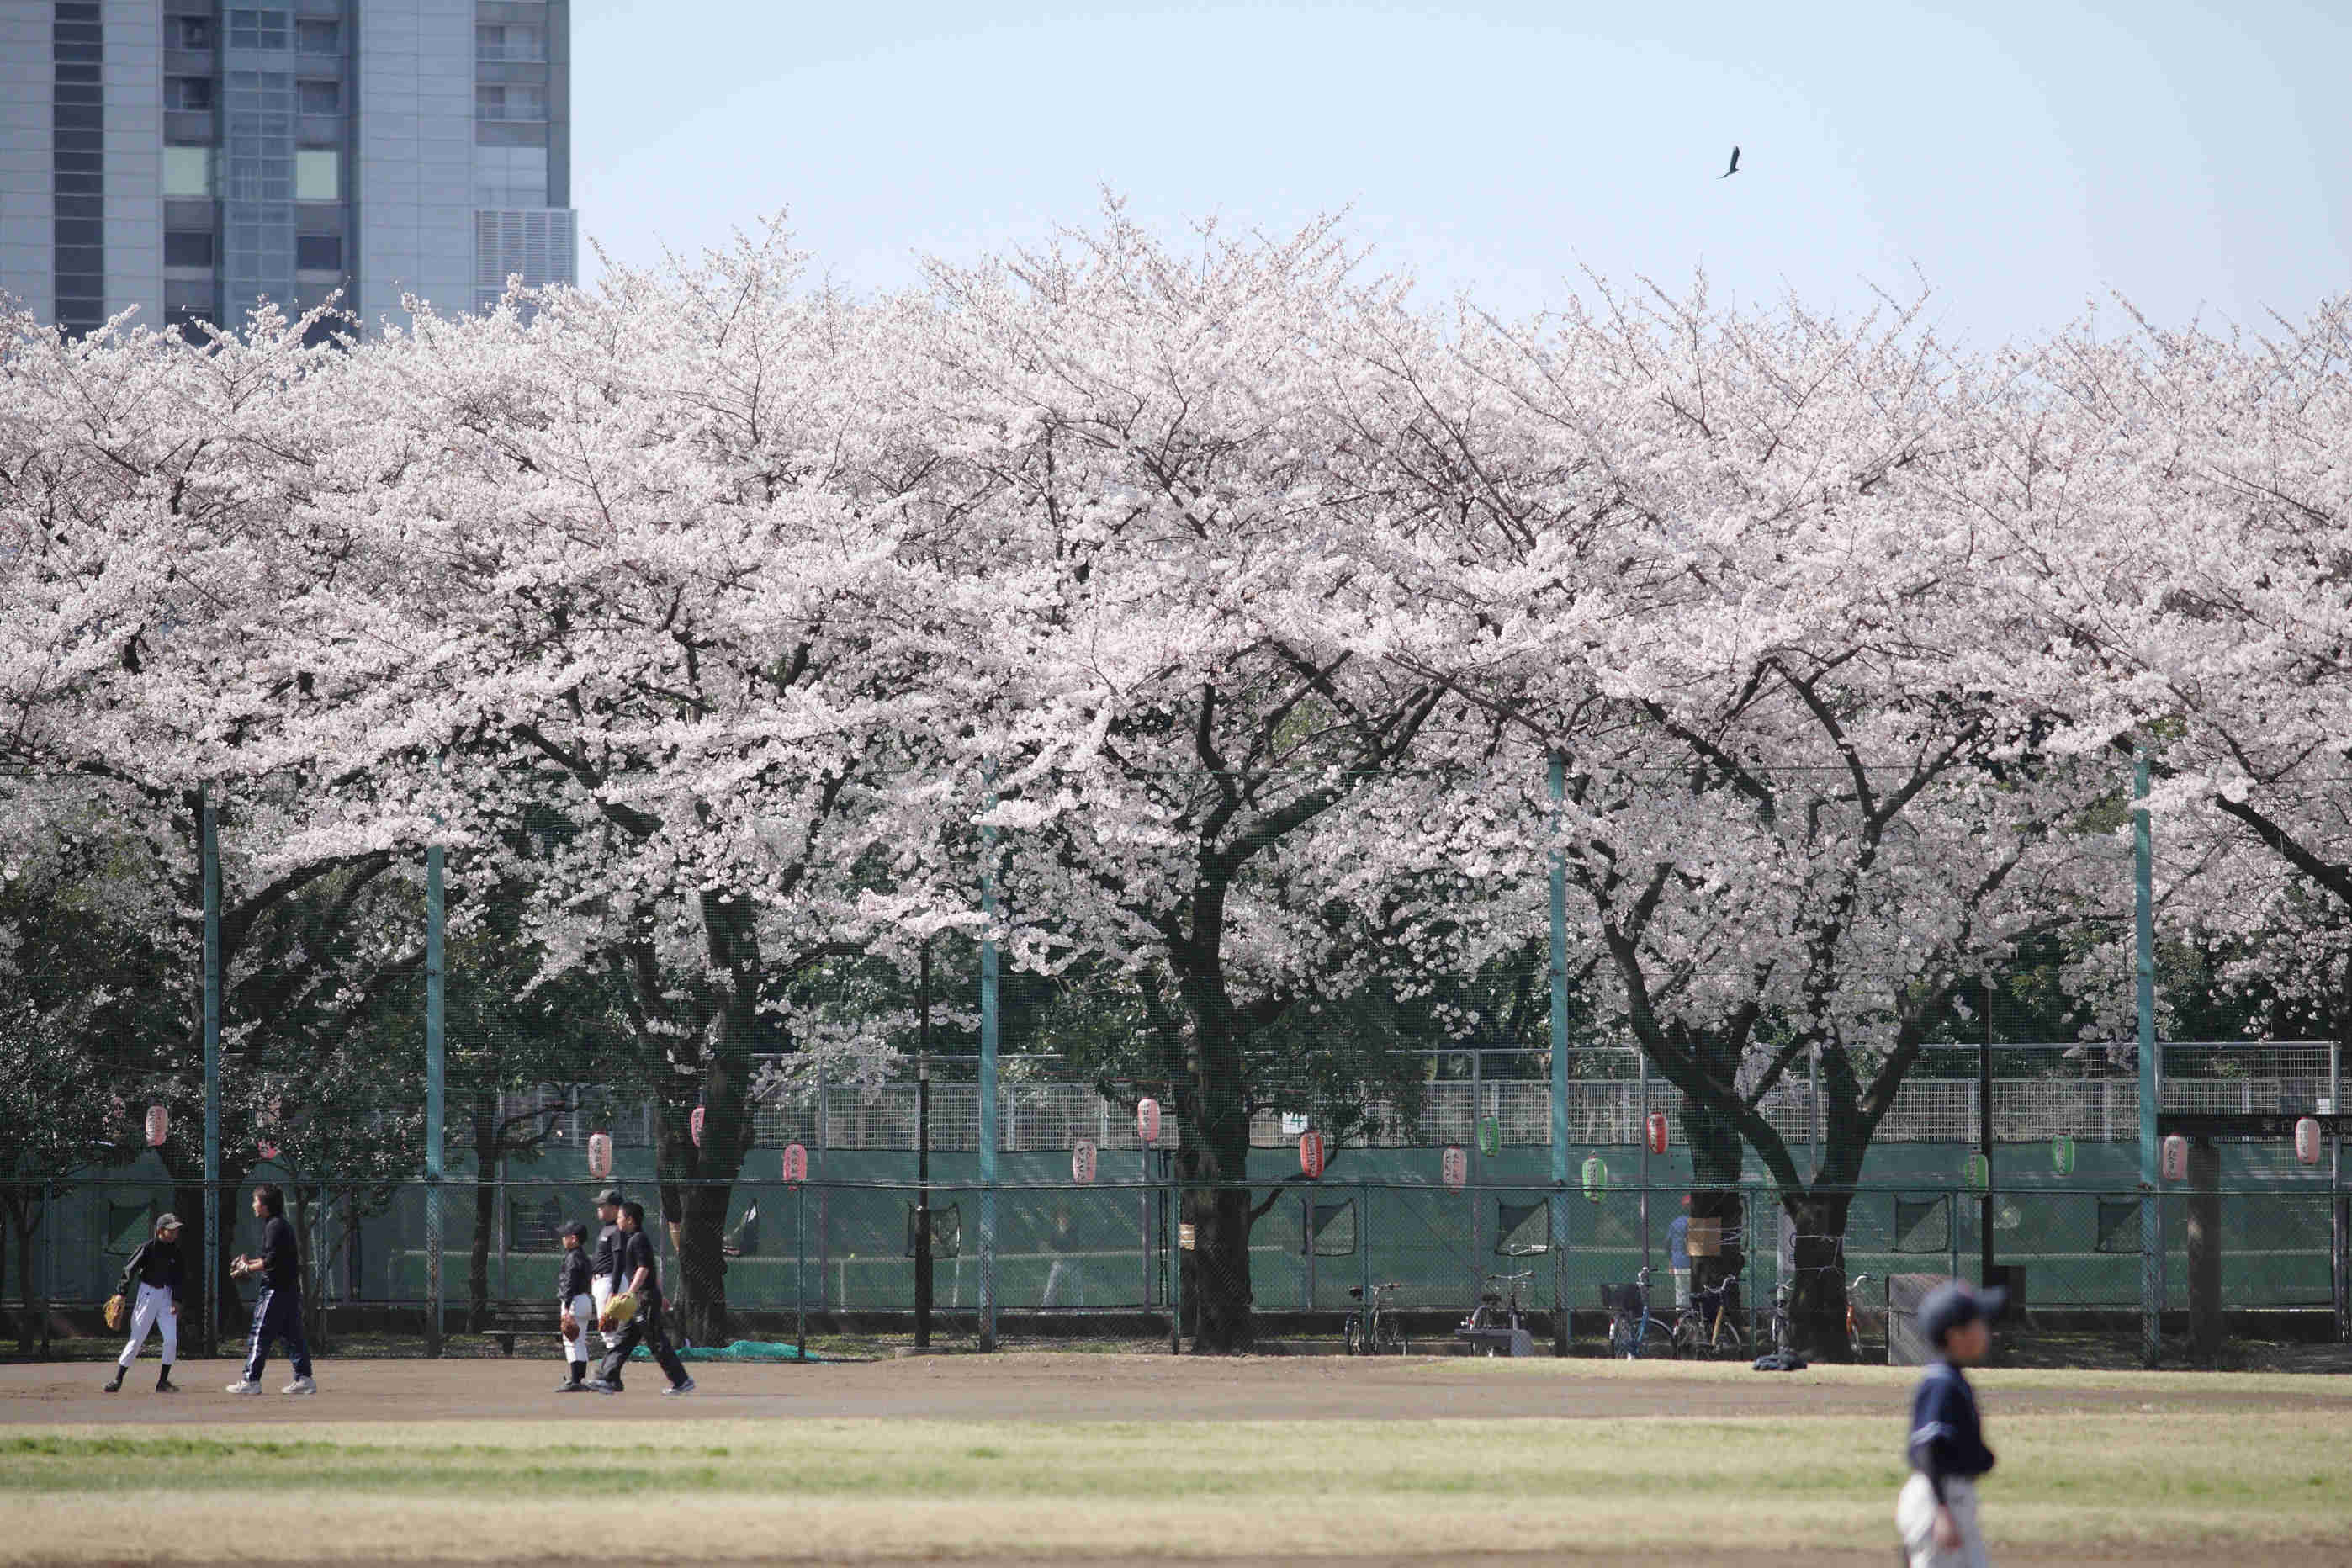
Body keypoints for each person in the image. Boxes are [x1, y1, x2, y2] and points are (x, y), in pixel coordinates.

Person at [1898, 1279, 2005, 1567]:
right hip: (1939, 1499)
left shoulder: (1952, 1381)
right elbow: (1928, 1449)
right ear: (1956, 1336)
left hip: (1948, 1498)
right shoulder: (1941, 1384)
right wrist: (1941, 1510)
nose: (1986, 1330)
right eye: (1978, 1323)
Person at [586, 1200, 693, 1396]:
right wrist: (659, 1295)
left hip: (644, 1299)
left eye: (620, 1217)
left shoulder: (638, 1239)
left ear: (629, 1220)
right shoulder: (632, 1238)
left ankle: (682, 1381)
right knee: (623, 1338)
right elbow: (649, 1269)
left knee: (656, 1342)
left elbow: (644, 1268)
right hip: (641, 1299)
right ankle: (607, 1379)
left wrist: (630, 1292)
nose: (617, 1220)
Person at [225, 1184, 315, 1396]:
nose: (253, 1205)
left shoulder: (274, 1226)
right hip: (289, 1289)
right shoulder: (279, 1224)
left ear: (265, 1205)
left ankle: (251, 1380)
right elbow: (272, 1259)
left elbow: (271, 1261)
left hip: (275, 1289)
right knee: (292, 1334)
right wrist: (249, 1264)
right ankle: (304, 1379)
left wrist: (246, 1267)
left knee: (260, 1332)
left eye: (255, 1201)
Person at [106, 1214, 185, 1394]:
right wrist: (121, 1292)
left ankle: (163, 1382)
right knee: (137, 1339)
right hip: (148, 1293)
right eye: (171, 1229)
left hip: (167, 1295)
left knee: (171, 1340)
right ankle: (118, 1380)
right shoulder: (147, 1248)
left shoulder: (176, 1251)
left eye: (176, 1229)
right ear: (160, 1231)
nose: (175, 1233)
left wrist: (177, 1299)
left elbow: (180, 1277)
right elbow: (129, 1269)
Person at [589, 1188, 627, 1381]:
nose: (599, 1208)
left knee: (610, 1332)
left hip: (611, 1281)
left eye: (602, 1205)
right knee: (610, 1332)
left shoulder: (617, 1231)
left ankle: (609, 1376)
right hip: (603, 1281)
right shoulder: (608, 1229)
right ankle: (610, 1375)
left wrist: (613, 1291)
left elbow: (620, 1262)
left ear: (613, 1208)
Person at [555, 1221, 594, 1392]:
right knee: (580, 1341)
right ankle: (580, 1379)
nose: (563, 1238)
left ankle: (575, 1381)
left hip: (575, 1302)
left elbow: (570, 1282)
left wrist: (566, 1308)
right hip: (584, 1300)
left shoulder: (572, 1257)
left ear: (574, 1239)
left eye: (566, 1235)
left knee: (571, 1342)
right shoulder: (583, 1256)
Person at [1666, 1196, 1692, 1310]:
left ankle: (1681, 1320)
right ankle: (1691, 1319)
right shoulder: (1696, 1222)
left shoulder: (1676, 1222)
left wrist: (1671, 1261)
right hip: (1692, 1263)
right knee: (1693, 1293)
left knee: (1681, 1294)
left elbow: (1667, 1244)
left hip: (1678, 1262)